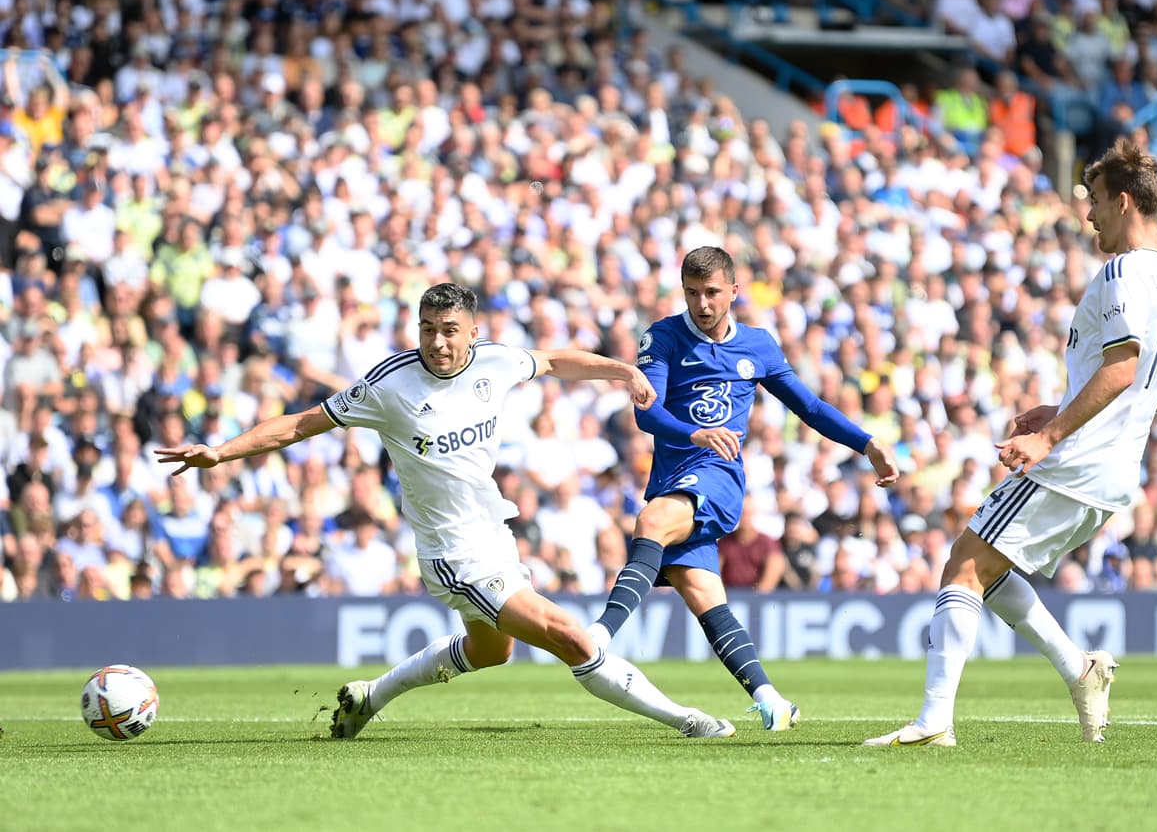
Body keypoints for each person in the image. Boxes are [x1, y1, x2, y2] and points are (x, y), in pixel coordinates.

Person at [157, 283, 735, 740]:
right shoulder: (389, 385)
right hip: (453, 553)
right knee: (572, 637)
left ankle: (369, 697)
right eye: (427, 330)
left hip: (493, 536)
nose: (437, 342)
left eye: (449, 331)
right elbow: (301, 424)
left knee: (490, 652)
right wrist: (222, 451)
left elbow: (554, 361)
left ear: (473, 332)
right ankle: (687, 720)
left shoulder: (495, 362)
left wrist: (623, 370)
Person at [864, 139, 1157, 747]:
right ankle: (1079, 669)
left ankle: (935, 722)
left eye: (1092, 203)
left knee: (961, 566)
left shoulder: (1121, 271)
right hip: (1114, 471)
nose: (1087, 216)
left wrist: (1050, 435)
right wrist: (1056, 409)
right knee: (986, 564)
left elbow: (1121, 369)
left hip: (1076, 462)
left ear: (1122, 201)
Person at [586, 246, 900, 730]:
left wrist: (867, 443)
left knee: (650, 522)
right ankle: (771, 698)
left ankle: (599, 637)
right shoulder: (664, 337)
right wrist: (693, 432)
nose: (703, 304)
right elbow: (645, 411)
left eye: (712, 293)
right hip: (673, 474)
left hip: (719, 474)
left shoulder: (757, 345)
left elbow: (810, 408)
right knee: (704, 595)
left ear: (734, 291)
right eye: (693, 294)